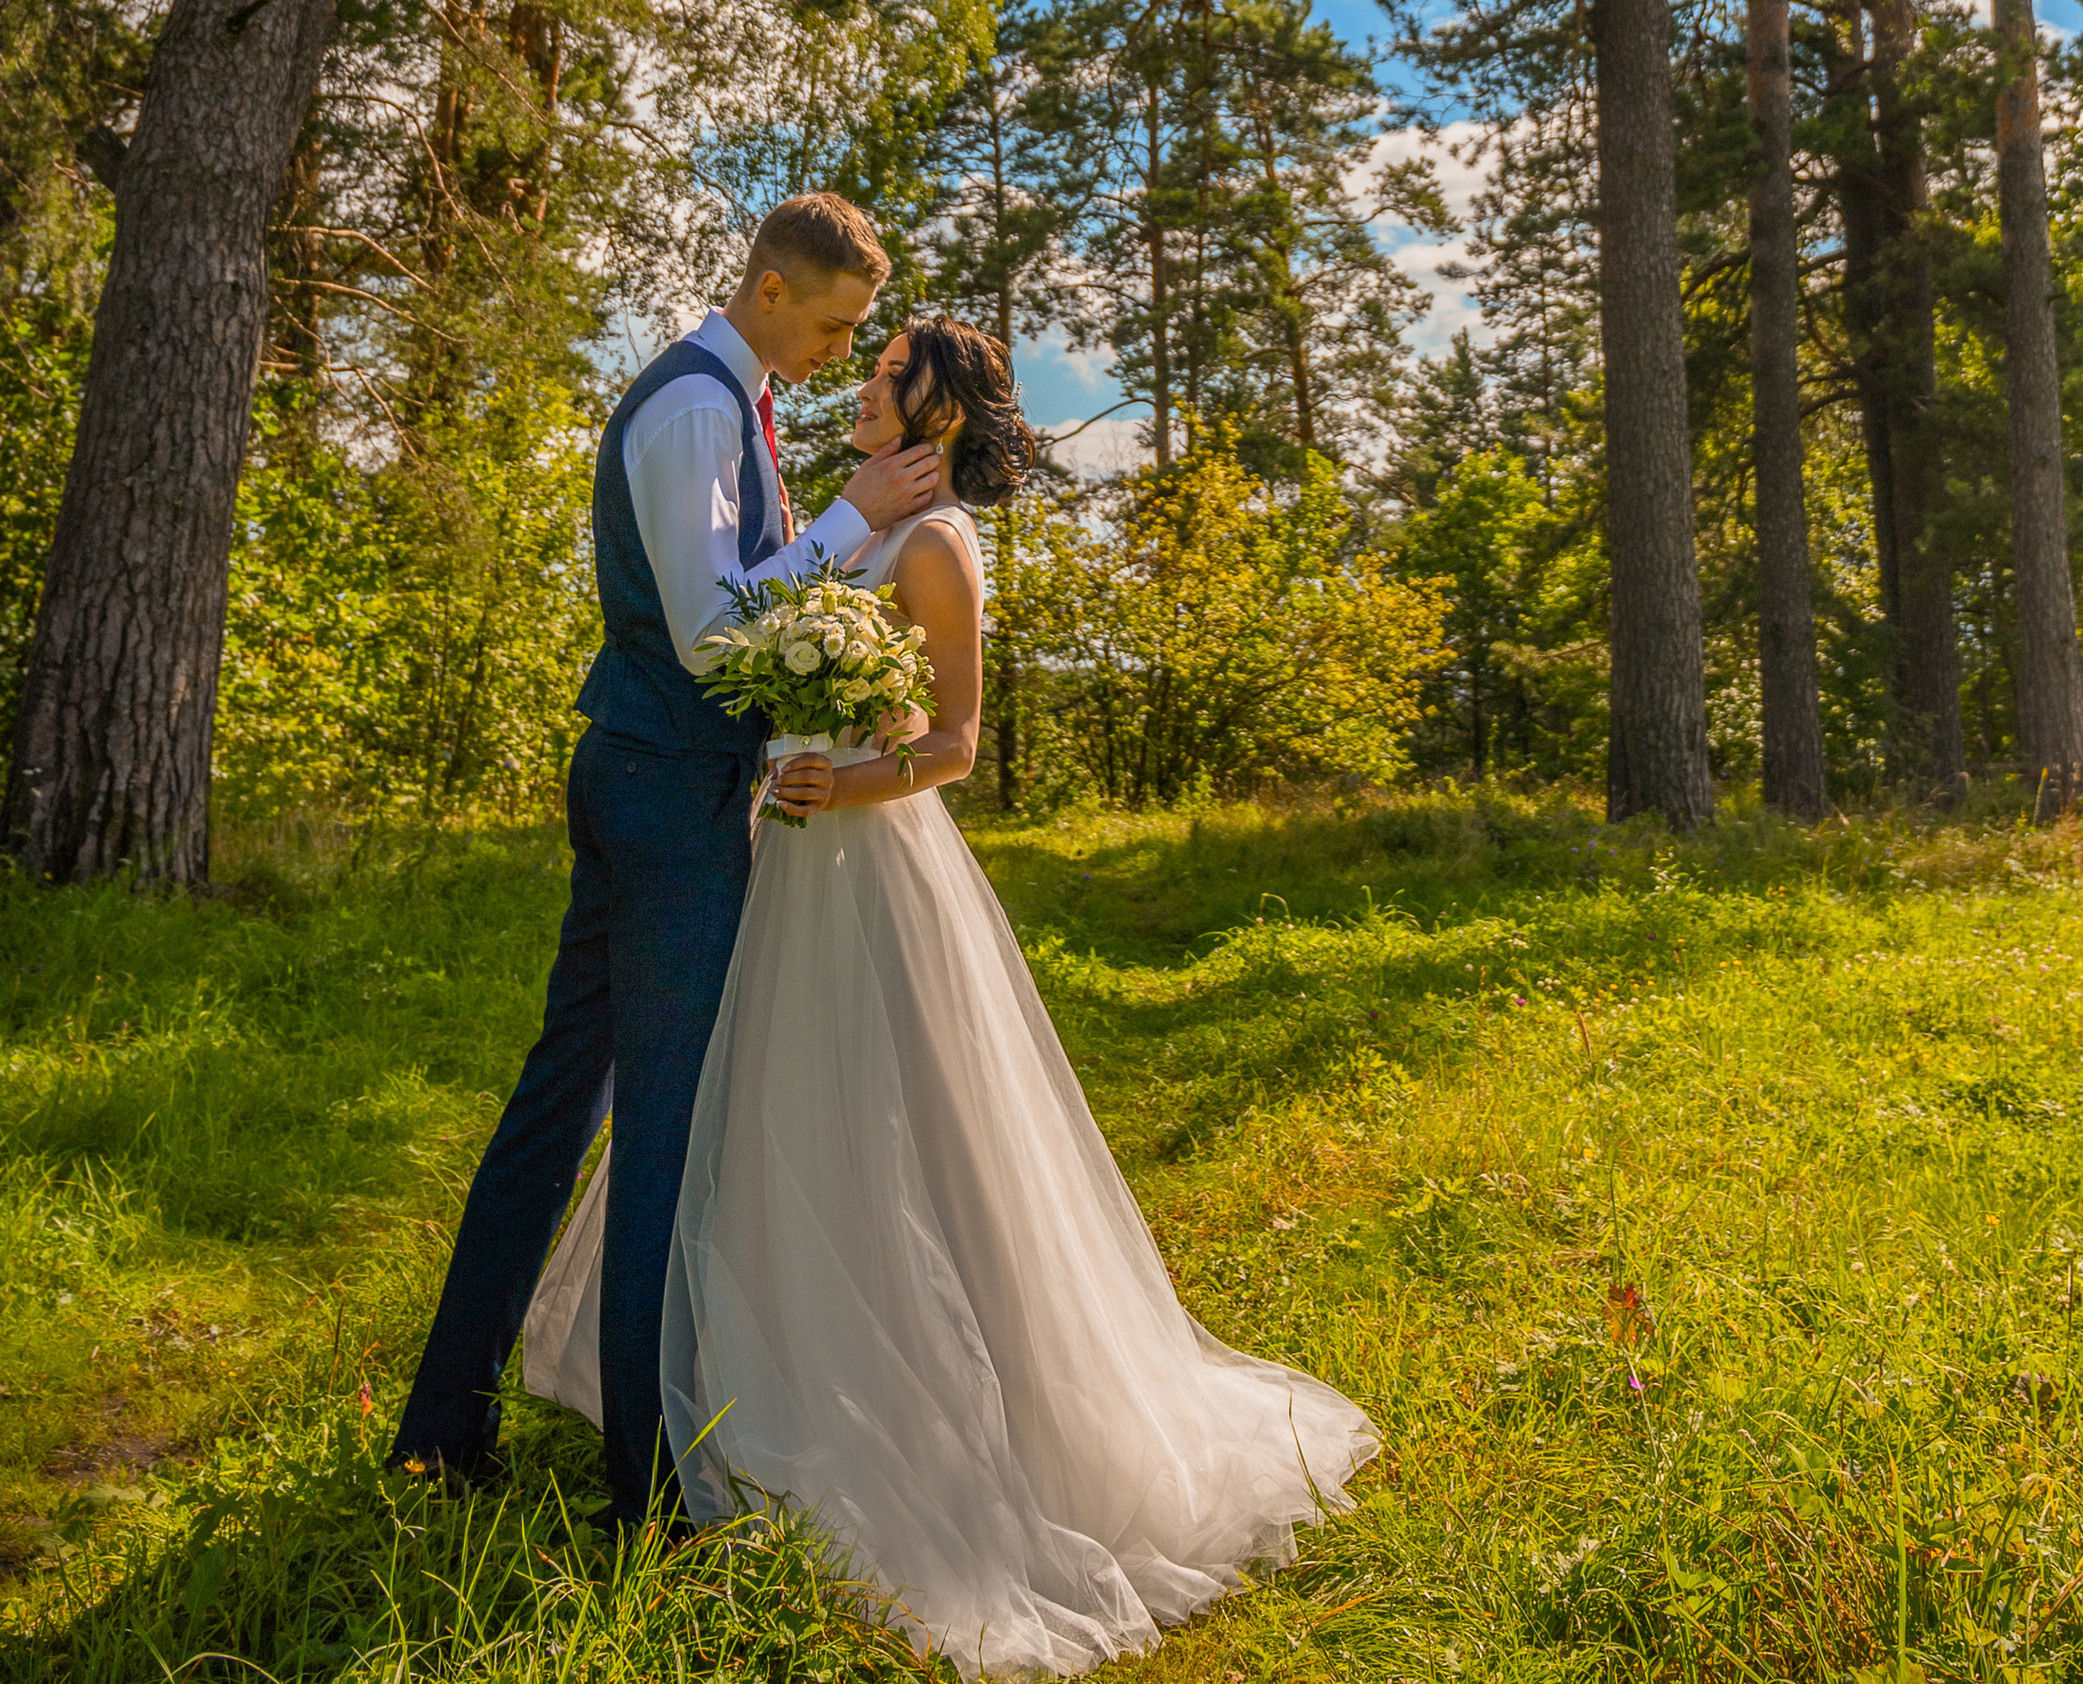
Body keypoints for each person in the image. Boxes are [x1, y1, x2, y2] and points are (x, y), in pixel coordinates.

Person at [521, 316, 1375, 1672]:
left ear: (937, 413)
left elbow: (959, 742)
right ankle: (736, 1379)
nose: (860, 389)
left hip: (869, 862)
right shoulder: (852, 523)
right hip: (780, 861)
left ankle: (902, 1414)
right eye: (860, 371)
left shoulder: (934, 547)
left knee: (888, 1130)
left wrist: (850, 778)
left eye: (882, 378)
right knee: (759, 1116)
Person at [391, 193, 942, 1529]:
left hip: (637, 777)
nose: (833, 351)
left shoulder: (727, 404)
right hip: (667, 794)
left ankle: (442, 1425)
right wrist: (854, 513)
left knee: (561, 1100)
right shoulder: (699, 406)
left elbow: (739, 596)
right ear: (766, 291)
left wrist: (852, 540)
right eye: (829, 325)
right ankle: (643, 1486)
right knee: (663, 1137)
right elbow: (713, 634)